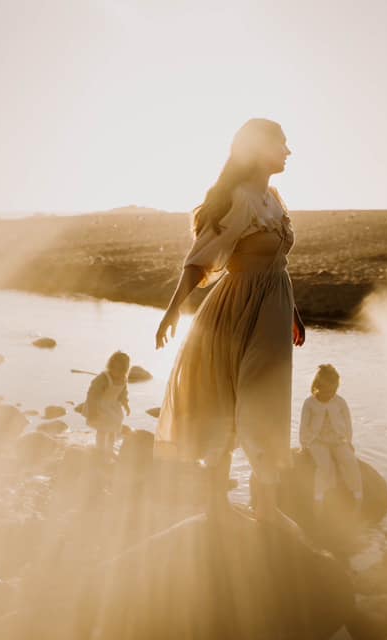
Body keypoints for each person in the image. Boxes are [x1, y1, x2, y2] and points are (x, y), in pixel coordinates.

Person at [154, 118, 306, 528]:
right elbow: (199, 260)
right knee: (229, 400)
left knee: (268, 402)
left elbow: (276, 263)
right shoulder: (239, 199)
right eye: (282, 144)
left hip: (272, 311)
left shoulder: (273, 197)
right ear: (258, 150)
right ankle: (220, 505)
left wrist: (291, 310)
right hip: (236, 311)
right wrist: (172, 312)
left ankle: (266, 506)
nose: (289, 151)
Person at [299, 364, 363, 508]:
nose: (329, 394)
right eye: (326, 391)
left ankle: (358, 496)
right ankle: (318, 499)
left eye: (333, 391)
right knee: (324, 466)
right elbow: (304, 425)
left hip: (338, 439)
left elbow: (347, 422)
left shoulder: (340, 402)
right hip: (317, 441)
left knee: (350, 462)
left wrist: (348, 441)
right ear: (317, 387)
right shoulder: (309, 403)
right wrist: (304, 445)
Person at [85, 351, 131, 457]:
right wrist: (92, 410)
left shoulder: (123, 379)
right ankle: (99, 448)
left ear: (124, 370)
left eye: (120, 370)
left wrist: (126, 404)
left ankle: (109, 449)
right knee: (102, 428)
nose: (116, 372)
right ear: (110, 366)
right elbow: (92, 394)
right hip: (100, 406)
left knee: (113, 427)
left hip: (113, 407)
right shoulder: (103, 378)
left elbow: (123, 393)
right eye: (113, 368)